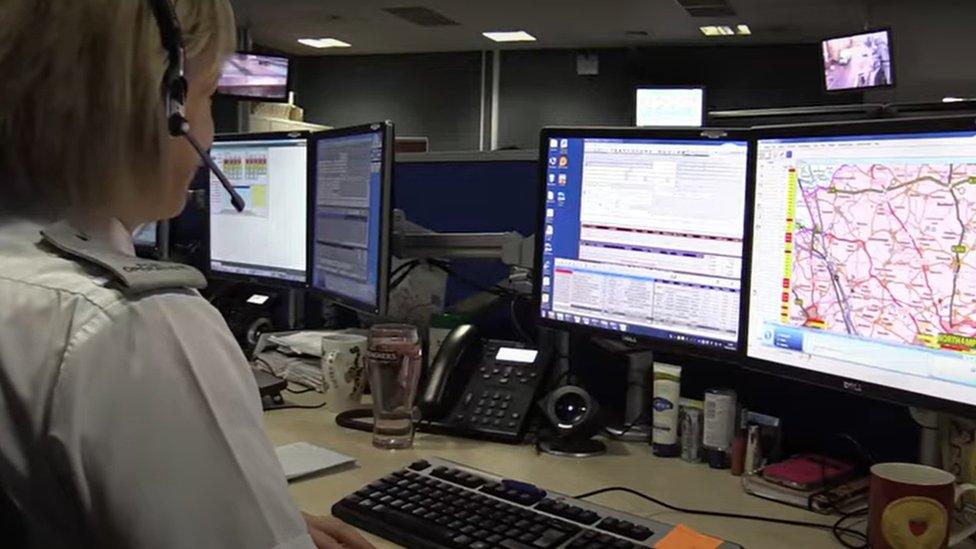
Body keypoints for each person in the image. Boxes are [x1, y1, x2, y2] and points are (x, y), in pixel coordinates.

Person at [0, 1, 374, 548]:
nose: (211, 134)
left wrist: (250, 510)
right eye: (208, 97)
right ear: (162, 108)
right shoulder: (131, 325)